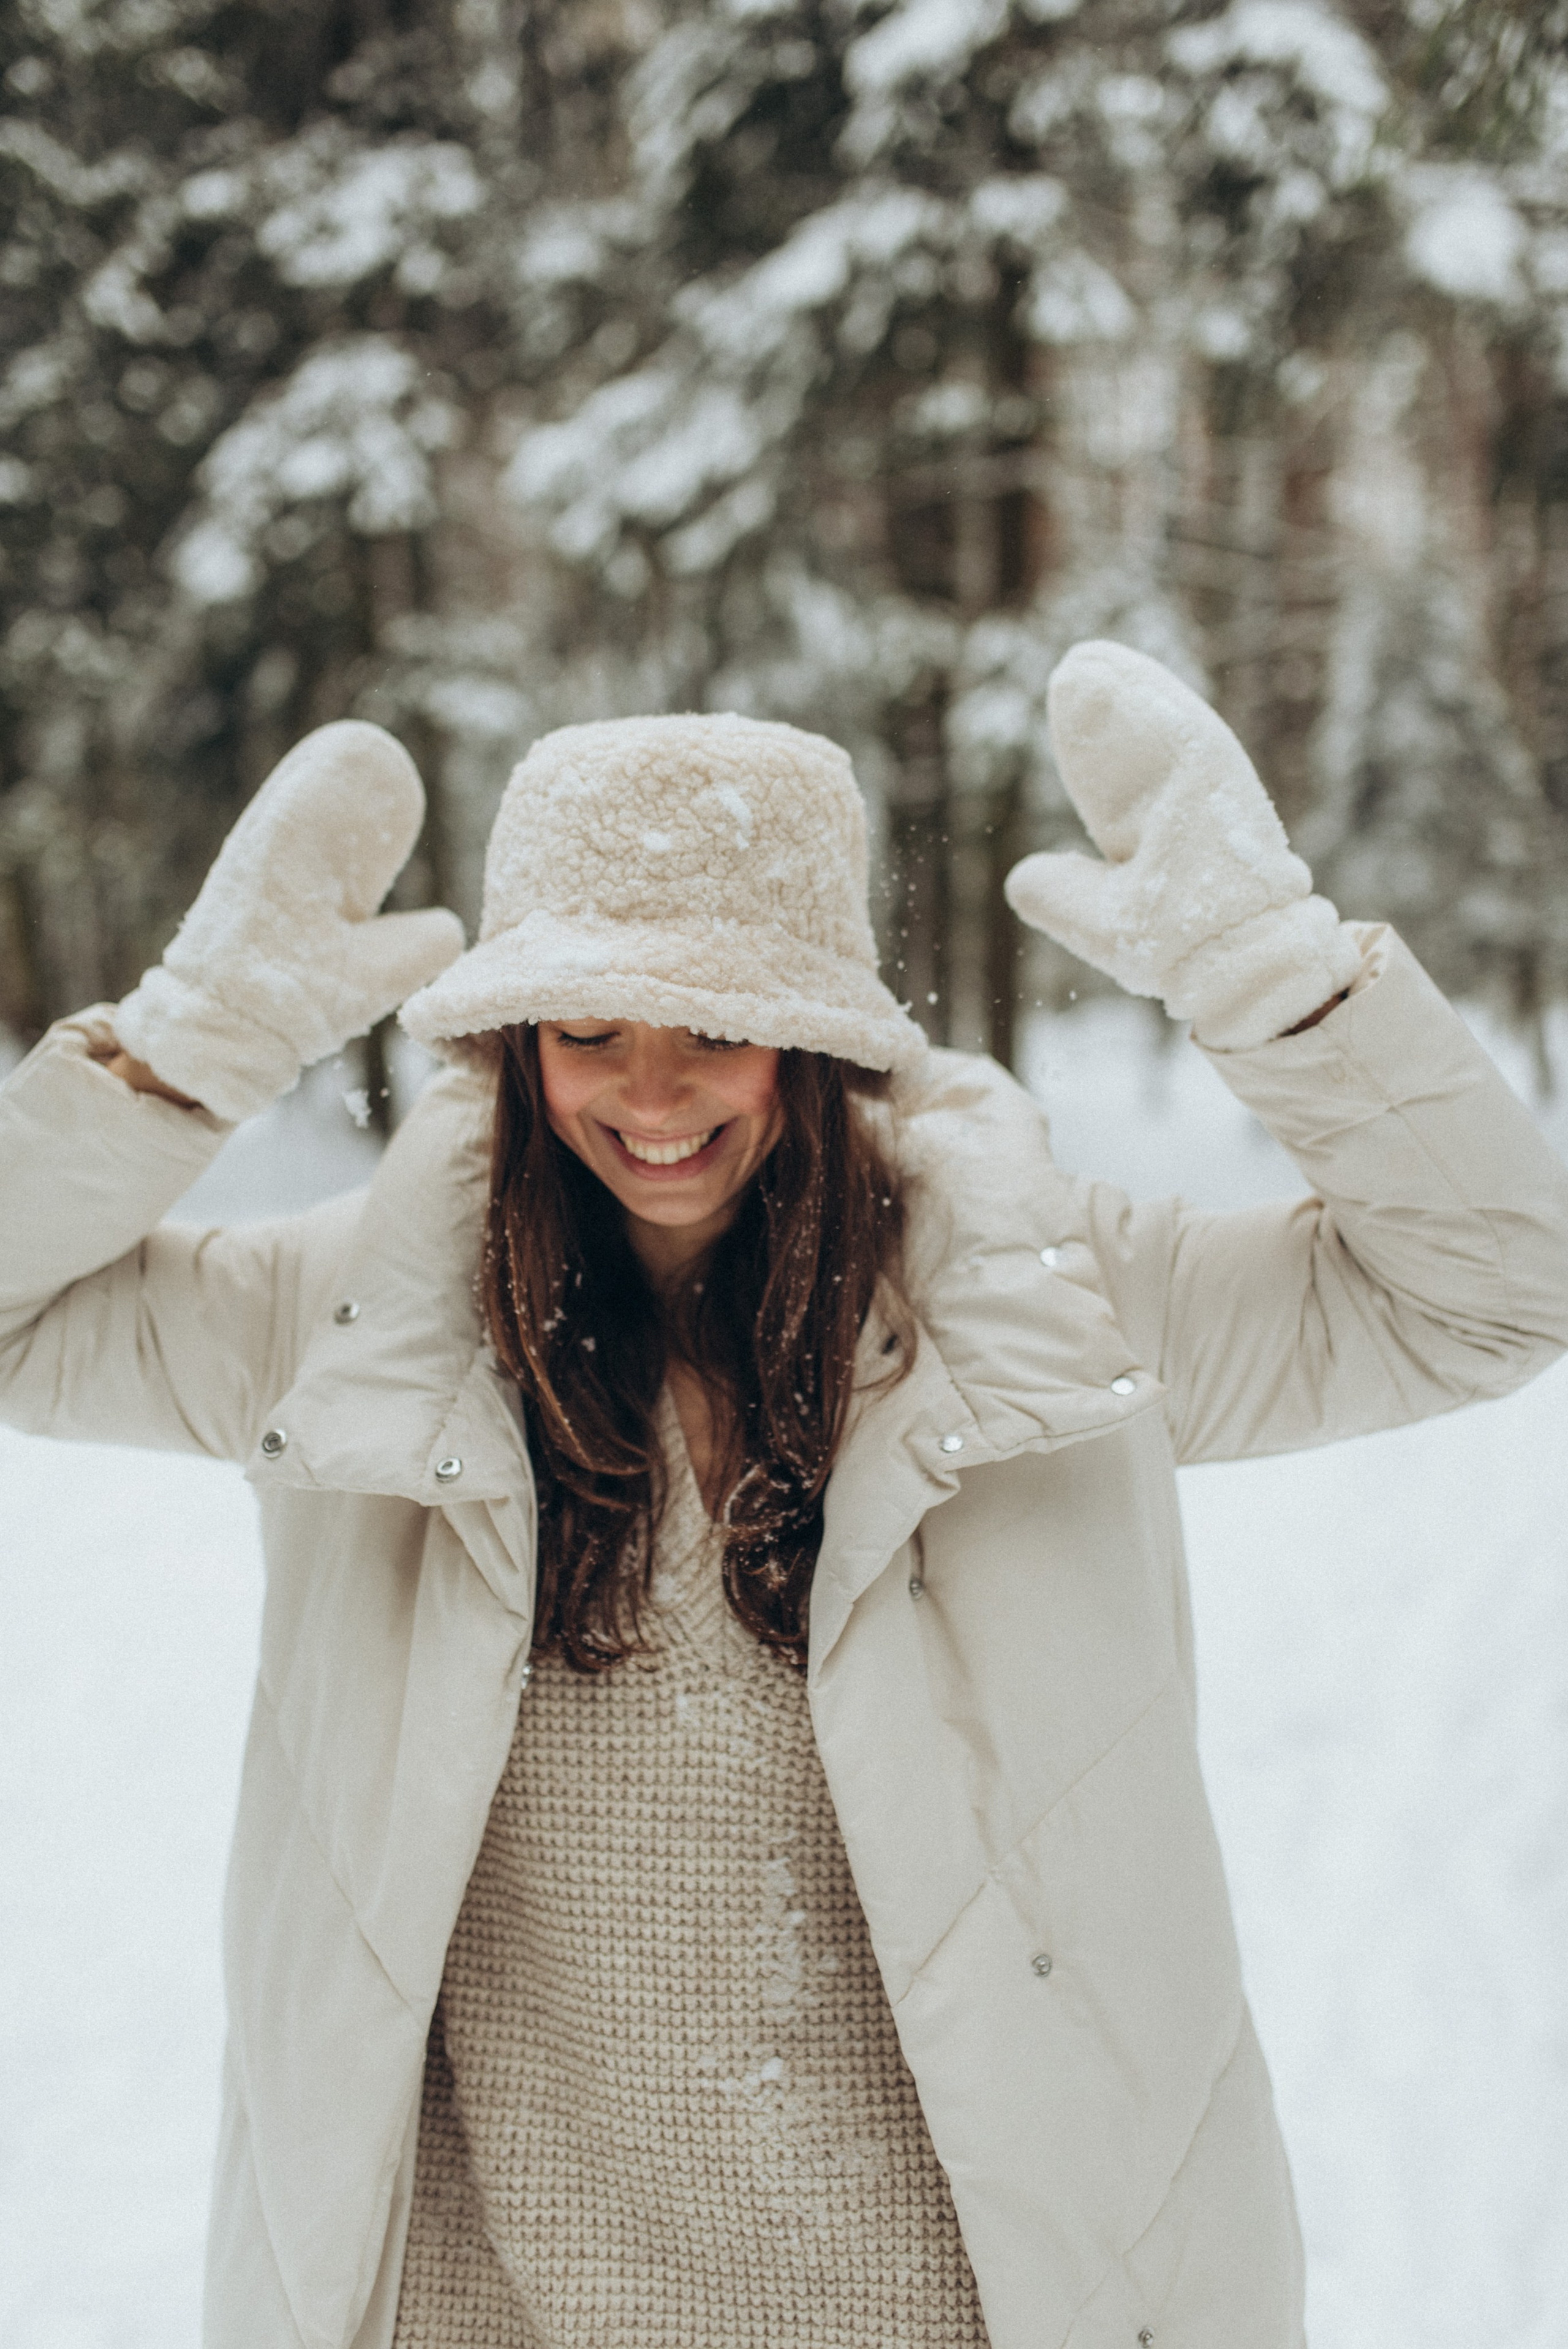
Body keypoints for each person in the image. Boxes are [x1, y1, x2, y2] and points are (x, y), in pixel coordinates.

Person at [3, 643, 1566, 2349]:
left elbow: (1489, 1290)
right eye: (586, 1030)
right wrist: (181, 1056)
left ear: (817, 1043)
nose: (649, 1094)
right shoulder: (366, 1324)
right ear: (519, 1044)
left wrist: (1282, 986)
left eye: (721, 1030)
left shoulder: (1035, 1298)